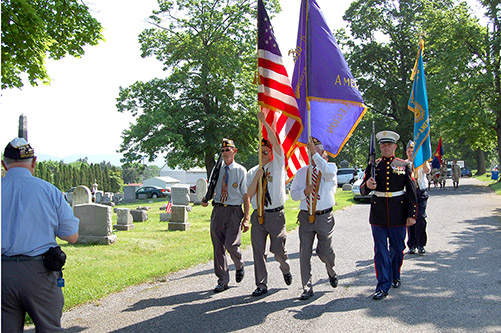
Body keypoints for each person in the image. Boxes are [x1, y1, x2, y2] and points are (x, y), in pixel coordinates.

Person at [2, 138, 79, 332]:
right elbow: (71, 236)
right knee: (49, 328)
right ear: (34, 162)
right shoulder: (49, 191)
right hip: (39, 271)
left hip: (3, 273)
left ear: (4, 164)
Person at [359, 131, 417, 300]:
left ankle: (394, 274)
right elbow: (363, 190)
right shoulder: (373, 165)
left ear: (395, 147)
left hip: (398, 213)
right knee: (380, 251)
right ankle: (383, 285)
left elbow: (412, 192)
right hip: (378, 214)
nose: (385, 147)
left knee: (398, 249)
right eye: (383, 145)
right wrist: (368, 185)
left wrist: (412, 214)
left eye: (389, 145)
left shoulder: (404, 165)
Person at [246, 111, 292, 297]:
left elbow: (275, 142)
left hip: (275, 215)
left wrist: (264, 122)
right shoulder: (253, 171)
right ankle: (261, 284)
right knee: (258, 250)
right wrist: (256, 179)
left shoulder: (277, 164)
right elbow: (248, 195)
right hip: (258, 215)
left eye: (266, 152)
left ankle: (285, 266)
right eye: (260, 152)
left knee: (277, 249)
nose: (263, 154)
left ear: (271, 153)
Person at [290, 137, 338, 300]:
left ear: (324, 153)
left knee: (325, 252)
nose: (313, 152)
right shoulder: (302, 172)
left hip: (324, 216)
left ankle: (330, 270)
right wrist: (304, 191)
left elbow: (329, 174)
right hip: (306, 216)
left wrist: (316, 155)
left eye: (317, 149)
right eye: (311, 149)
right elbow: (293, 194)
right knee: (304, 253)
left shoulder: (330, 167)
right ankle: (307, 287)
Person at [201, 138, 250, 293]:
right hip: (218, 210)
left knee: (231, 244)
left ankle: (239, 264)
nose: (224, 153)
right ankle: (223, 280)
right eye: (222, 151)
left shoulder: (241, 171)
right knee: (217, 247)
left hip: (234, 211)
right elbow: (211, 188)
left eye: (227, 150)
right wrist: (205, 199)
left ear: (234, 151)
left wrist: (246, 218)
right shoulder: (217, 170)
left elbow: (246, 196)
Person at [405, 140, 431, 254]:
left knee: (420, 218)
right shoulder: (404, 164)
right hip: (409, 194)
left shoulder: (421, 163)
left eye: (413, 151)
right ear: (406, 152)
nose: (411, 153)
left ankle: (421, 244)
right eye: (409, 151)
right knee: (410, 219)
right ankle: (412, 244)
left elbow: (427, 170)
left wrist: (422, 158)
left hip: (421, 192)